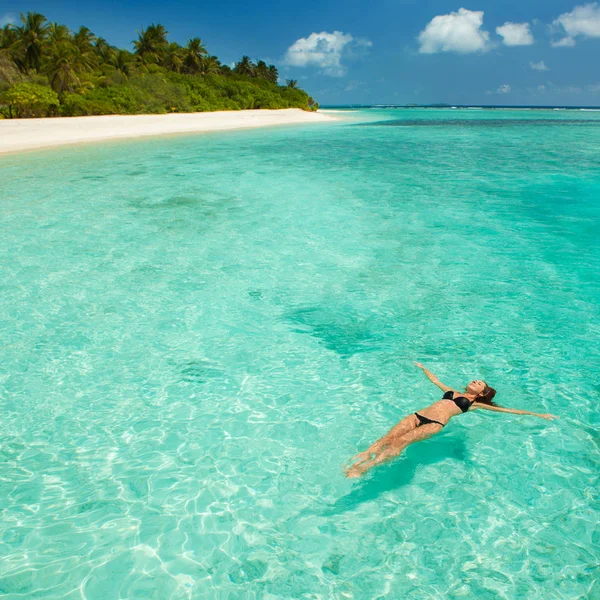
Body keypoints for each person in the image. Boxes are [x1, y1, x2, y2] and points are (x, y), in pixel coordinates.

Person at [344, 362, 558, 478]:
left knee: (401, 442)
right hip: (417, 415)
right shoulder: (451, 391)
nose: (474, 381)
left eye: (479, 383)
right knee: (389, 436)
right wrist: (423, 368)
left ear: (481, 393)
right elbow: (435, 380)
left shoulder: (475, 404)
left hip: (434, 424)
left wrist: (539, 415)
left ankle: (368, 467)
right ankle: (363, 456)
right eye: (475, 380)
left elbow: (510, 411)